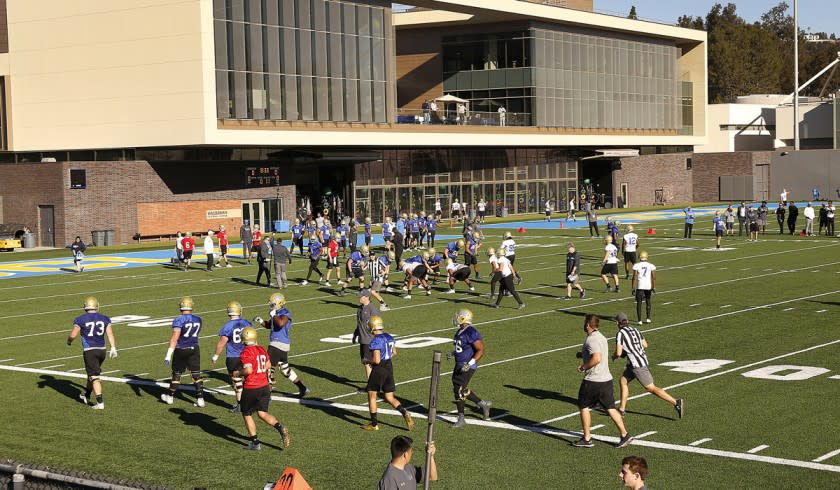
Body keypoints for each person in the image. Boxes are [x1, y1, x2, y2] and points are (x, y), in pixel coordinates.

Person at [572, 314, 632, 448]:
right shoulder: (601, 337)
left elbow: (597, 358)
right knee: (610, 408)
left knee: (583, 406)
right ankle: (624, 434)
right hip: (606, 379)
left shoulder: (591, 340)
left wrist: (583, 366)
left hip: (593, 380)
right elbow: (598, 353)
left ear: (588, 325)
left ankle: (587, 438)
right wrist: (582, 354)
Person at [614, 312, 683, 419]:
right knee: (623, 381)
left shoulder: (620, 333)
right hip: (638, 362)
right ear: (627, 321)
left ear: (617, 323)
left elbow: (618, 353)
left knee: (650, 388)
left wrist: (615, 356)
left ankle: (676, 402)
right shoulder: (636, 330)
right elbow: (645, 345)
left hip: (637, 365)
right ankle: (622, 409)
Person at [238, 327, 291, 451]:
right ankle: (280, 427)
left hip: (251, 387)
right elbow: (268, 365)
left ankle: (255, 443)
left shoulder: (246, 352)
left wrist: (238, 373)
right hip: (264, 386)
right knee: (262, 413)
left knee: (246, 413)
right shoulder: (261, 349)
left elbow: (249, 370)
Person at [361, 316, 415, 432]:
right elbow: (394, 352)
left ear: (372, 327)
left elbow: (376, 360)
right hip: (389, 367)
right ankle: (404, 412)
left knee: (372, 395)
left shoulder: (376, 340)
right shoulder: (389, 336)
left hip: (379, 369)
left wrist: (367, 361)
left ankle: (374, 424)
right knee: (389, 397)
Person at [253, 293, 309, 397]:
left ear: (279, 303)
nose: (271, 305)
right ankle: (303, 388)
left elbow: (281, 323)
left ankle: (267, 397)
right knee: (285, 370)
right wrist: (261, 321)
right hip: (281, 345)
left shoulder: (284, 312)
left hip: (277, 344)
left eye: (273, 303)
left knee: (268, 370)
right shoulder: (277, 312)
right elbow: (271, 325)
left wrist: (274, 315)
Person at [67, 296, 117, 409]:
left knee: (94, 377)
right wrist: (113, 347)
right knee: (91, 374)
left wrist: (69, 341)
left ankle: (100, 402)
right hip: (102, 351)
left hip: (90, 351)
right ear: (97, 306)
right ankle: (87, 395)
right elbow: (110, 334)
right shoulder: (105, 318)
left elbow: (73, 335)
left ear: (85, 307)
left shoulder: (80, 319)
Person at [448, 309, 492, 427]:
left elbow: (480, 349)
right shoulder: (459, 332)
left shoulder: (471, 332)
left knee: (459, 391)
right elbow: (462, 348)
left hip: (467, 365)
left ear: (463, 318)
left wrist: (470, 363)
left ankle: (461, 418)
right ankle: (483, 404)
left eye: (458, 316)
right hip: (459, 364)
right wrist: (453, 353)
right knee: (460, 389)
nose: (456, 317)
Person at [161, 297, 205, 407]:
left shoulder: (179, 320)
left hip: (181, 348)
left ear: (181, 306)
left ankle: (170, 396)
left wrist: (168, 355)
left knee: (177, 374)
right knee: (196, 374)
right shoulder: (198, 319)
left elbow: (174, 338)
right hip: (194, 348)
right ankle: (200, 399)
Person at [212, 300, 251, 413]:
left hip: (233, 357)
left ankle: (240, 405)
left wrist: (215, 356)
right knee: (249, 379)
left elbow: (221, 343)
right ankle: (253, 401)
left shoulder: (227, 326)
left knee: (237, 380)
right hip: (246, 355)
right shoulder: (247, 323)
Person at [353, 288, 381, 380]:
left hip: (370, 340)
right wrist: (355, 334)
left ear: (367, 297)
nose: (359, 298)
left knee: (367, 362)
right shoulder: (360, 308)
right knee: (367, 362)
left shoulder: (372, 309)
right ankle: (372, 383)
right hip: (363, 339)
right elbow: (359, 323)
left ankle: (371, 385)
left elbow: (378, 326)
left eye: (361, 297)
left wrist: (378, 340)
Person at [631, 251, 656, 324]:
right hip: (648, 286)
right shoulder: (651, 265)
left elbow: (634, 277)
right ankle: (648, 318)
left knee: (639, 303)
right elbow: (654, 277)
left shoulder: (637, 265)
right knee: (648, 301)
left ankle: (639, 320)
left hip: (640, 285)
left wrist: (633, 287)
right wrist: (654, 287)